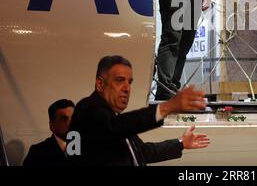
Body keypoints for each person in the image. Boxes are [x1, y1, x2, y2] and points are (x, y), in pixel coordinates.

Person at [69, 55, 210, 166]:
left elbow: (142, 152)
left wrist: (181, 143)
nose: (126, 88)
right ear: (100, 84)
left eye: (129, 82)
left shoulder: (113, 118)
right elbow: (115, 127)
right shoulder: (87, 108)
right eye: (119, 80)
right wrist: (168, 106)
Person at [22, 99, 75, 166]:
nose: (71, 123)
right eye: (64, 119)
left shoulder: (86, 148)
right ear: (52, 126)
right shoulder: (38, 152)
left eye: (73, 118)